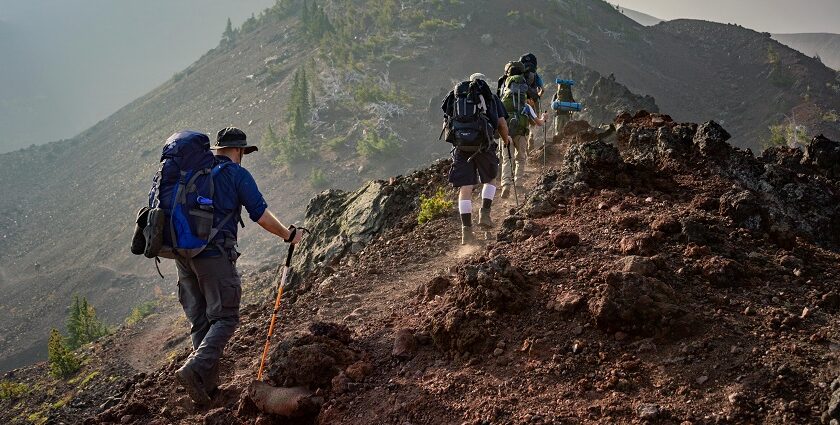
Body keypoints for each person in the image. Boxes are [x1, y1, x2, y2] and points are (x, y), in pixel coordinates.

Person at [174, 127, 304, 406]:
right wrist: (288, 234)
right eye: (243, 152)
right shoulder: (236, 174)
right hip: (213, 255)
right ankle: (195, 369)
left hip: (182, 256)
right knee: (225, 318)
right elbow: (260, 214)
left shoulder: (193, 173)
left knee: (202, 321)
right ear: (240, 151)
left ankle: (206, 391)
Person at [441, 73, 511, 245]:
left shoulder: (455, 98)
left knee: (465, 188)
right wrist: (505, 139)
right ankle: (485, 214)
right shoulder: (490, 97)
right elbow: (501, 124)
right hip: (483, 145)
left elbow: (446, 124)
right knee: (490, 180)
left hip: (461, 148)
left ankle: (467, 232)